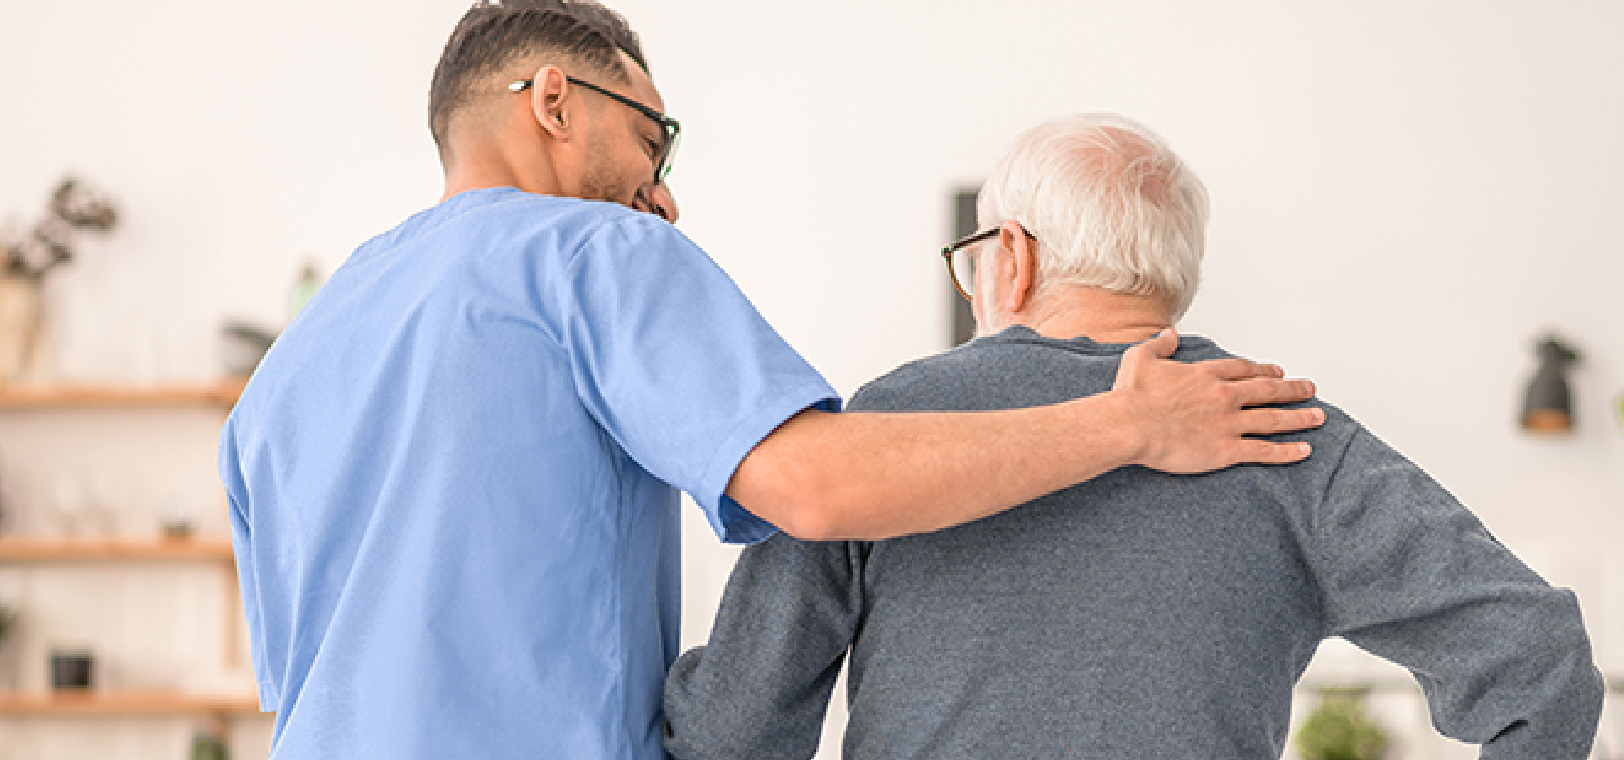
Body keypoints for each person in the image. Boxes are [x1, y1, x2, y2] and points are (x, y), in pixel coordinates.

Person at [216, 3, 1326, 759]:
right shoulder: (595, 253)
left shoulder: (296, 354)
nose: (664, 190)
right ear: (553, 101)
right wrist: (1126, 423)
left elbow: (302, 667)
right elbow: (816, 487)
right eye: (658, 138)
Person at [662, 113, 1606, 760]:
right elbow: (1543, 663)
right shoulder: (1288, 436)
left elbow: (732, 735)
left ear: (1013, 258)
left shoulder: (880, 433)